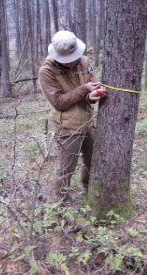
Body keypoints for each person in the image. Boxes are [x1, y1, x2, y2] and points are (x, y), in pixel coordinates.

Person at [38, 30, 107, 200]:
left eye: (75, 57)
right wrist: (84, 89)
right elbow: (59, 102)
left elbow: (90, 86)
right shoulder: (46, 71)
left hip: (88, 121)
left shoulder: (84, 62)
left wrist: (91, 96)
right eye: (69, 60)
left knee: (93, 160)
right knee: (66, 168)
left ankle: (89, 191)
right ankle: (60, 203)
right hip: (67, 127)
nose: (74, 61)